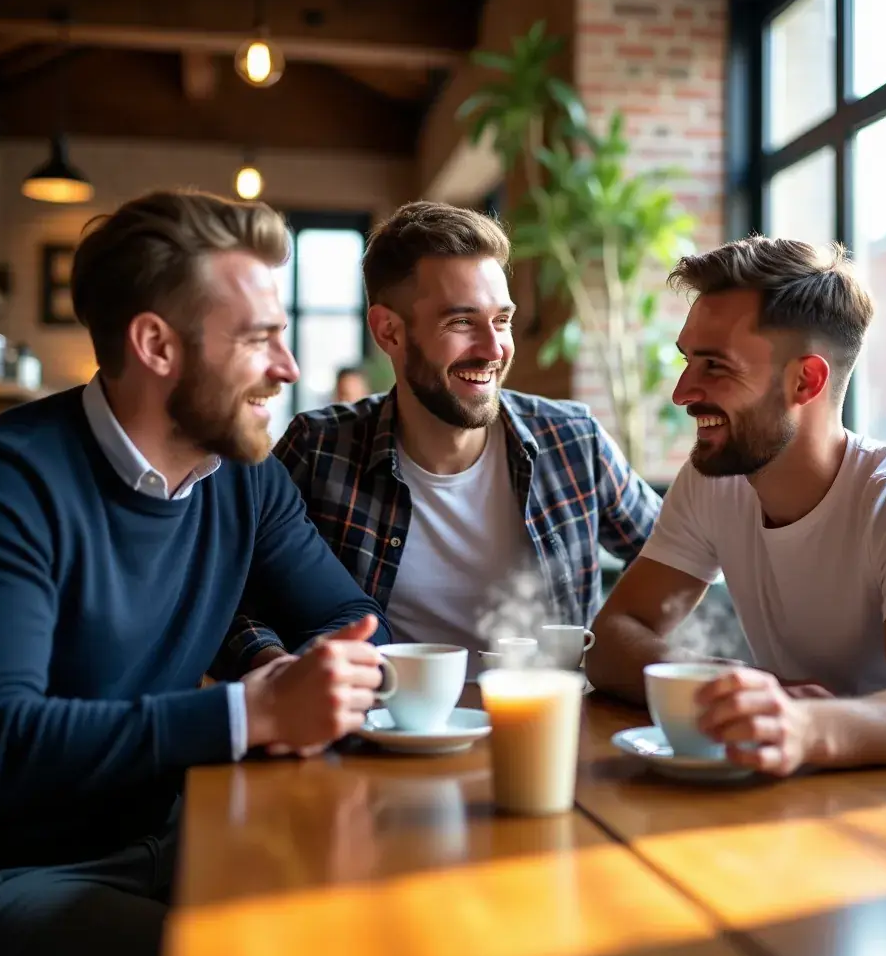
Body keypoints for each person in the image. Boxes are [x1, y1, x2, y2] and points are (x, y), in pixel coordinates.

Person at [0, 190, 392, 956]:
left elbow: (347, 617)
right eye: (260, 338)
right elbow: (0, 739)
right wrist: (251, 711)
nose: (290, 367)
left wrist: (298, 672)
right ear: (157, 344)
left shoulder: (246, 478)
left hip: (184, 831)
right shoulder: (10, 483)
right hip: (19, 874)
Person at [586, 236, 886, 795]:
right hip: (810, 786)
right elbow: (613, 637)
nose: (684, 392)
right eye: (689, 361)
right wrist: (744, 691)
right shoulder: (717, 479)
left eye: (715, 366)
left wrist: (800, 724)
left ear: (806, 380)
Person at [218, 201, 661, 676]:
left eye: (502, 320)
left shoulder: (573, 440)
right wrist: (281, 671)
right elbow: (223, 599)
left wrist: (626, 652)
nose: (494, 349)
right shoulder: (319, 448)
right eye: (462, 322)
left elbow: (678, 562)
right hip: (375, 736)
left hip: (545, 727)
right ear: (389, 331)